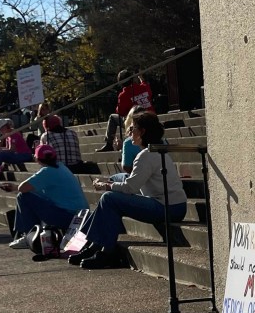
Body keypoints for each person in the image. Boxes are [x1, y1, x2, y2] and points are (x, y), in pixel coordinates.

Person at [72, 113, 186, 269]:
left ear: (142, 132)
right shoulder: (158, 150)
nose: (130, 132)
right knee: (115, 180)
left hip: (167, 208)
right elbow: (130, 179)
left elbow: (130, 187)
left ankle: (106, 251)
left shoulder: (145, 155)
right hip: (176, 205)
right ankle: (94, 245)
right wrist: (111, 181)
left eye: (132, 128)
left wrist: (106, 186)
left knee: (109, 199)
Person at [4, 144, 89, 249]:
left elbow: (22, 188)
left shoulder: (47, 171)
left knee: (23, 197)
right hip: (81, 216)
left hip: (68, 217)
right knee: (30, 196)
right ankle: (29, 233)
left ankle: (28, 235)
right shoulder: (62, 167)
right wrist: (15, 187)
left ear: (37, 159)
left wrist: (16, 187)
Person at [100, 71, 154, 152]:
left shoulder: (123, 95)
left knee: (112, 117)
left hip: (136, 122)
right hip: (151, 119)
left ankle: (109, 144)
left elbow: (120, 112)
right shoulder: (144, 87)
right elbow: (148, 90)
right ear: (132, 79)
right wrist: (141, 79)